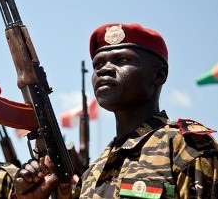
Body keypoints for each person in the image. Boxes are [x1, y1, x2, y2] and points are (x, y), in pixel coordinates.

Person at [14, 23, 218, 198]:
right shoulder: (95, 171)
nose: (104, 69)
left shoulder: (186, 146)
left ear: (159, 75)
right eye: (98, 64)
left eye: (122, 60)